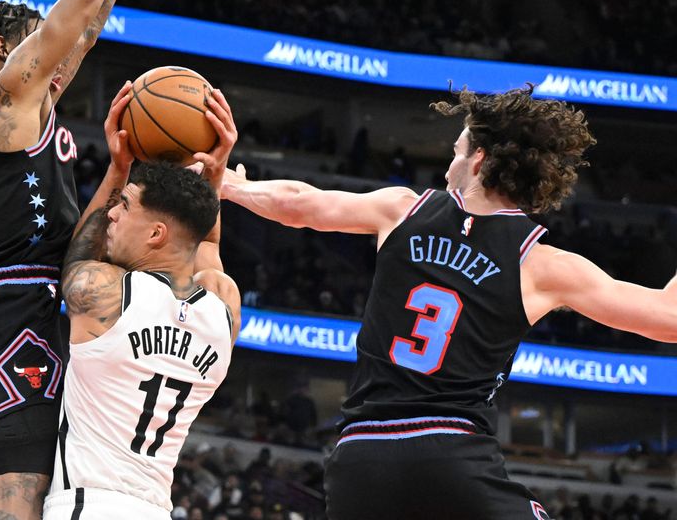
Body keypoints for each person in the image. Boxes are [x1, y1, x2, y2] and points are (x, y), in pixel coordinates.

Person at [221, 85, 677, 519]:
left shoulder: (403, 209)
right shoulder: (541, 265)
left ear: (479, 161)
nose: (448, 165)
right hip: (449, 454)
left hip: (359, 460)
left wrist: (231, 187)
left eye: (457, 151)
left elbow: (300, 203)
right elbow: (667, 320)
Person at [0, 0, 122, 517]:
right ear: (2, 50)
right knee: (16, 504)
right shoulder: (6, 100)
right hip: (10, 311)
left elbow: (82, 35)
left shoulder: (19, 109)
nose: (53, 52)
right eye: (33, 40)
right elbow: (67, 25)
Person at [43, 87, 241, 519]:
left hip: (87, 504)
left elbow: (78, 254)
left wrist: (119, 170)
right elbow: (203, 240)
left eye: (125, 207)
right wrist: (216, 170)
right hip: (155, 508)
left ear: (155, 235)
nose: (113, 213)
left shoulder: (106, 291)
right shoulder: (222, 308)